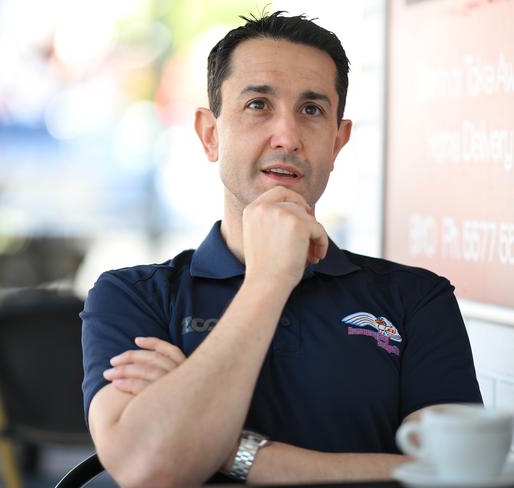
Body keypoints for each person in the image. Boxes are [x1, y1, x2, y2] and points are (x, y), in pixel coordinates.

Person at [81, 11, 482, 487]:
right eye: (257, 105)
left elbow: (454, 475)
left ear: (338, 140)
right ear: (210, 134)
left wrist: (225, 447)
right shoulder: (134, 296)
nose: (287, 137)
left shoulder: (417, 300)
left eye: (311, 110)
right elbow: (151, 468)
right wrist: (268, 280)